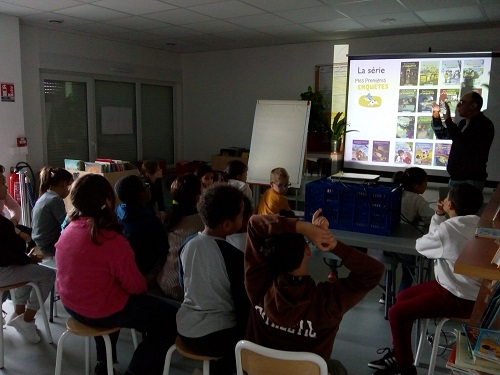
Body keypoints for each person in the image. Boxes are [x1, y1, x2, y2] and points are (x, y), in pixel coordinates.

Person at [55, 174, 177, 375]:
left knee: (107, 297)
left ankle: (104, 363)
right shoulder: (111, 239)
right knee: (169, 319)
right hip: (100, 310)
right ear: (108, 200)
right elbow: (136, 287)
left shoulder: (68, 230)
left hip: (71, 306)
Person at [244, 209, 384, 375]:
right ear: (307, 250)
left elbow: (254, 224)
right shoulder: (327, 303)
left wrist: (302, 227)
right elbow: (373, 271)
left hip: (260, 371)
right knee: (337, 368)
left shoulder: (257, 285)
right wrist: (333, 244)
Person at [368, 183, 484, 375]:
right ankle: (399, 353)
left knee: (396, 313)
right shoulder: (478, 223)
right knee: (403, 296)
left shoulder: (449, 230)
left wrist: (438, 218)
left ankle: (404, 368)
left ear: (451, 206)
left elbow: (422, 246)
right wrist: (440, 217)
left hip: (458, 297)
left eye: (446, 199)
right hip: (468, 291)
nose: (443, 201)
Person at [176, 184, 250, 375]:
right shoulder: (233, 256)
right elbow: (242, 303)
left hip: (185, 329)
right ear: (227, 224)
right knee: (249, 343)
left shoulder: (187, 244)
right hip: (215, 336)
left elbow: (183, 284)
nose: (243, 218)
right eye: (241, 215)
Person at [0, 175, 56, 344]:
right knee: (48, 275)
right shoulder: (3, 224)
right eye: (3, 183)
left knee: (29, 273)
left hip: (6, 267)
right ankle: (26, 319)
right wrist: (27, 259)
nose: (7, 187)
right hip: (3, 272)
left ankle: (18, 314)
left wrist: (24, 258)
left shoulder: (5, 223)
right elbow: (9, 254)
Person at [432, 91, 494, 191]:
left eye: (462, 102)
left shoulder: (484, 125)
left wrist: (448, 120)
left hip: (470, 181)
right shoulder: (463, 123)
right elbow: (442, 135)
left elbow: (463, 144)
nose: (458, 106)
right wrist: (436, 116)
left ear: (473, 105)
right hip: (456, 179)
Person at [115, 174, 168, 287]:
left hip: (123, 273)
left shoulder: (117, 211)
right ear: (141, 195)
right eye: (146, 186)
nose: (149, 188)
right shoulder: (150, 222)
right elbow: (164, 252)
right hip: (145, 276)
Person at [157, 173, 204, 300]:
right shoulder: (203, 222)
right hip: (185, 290)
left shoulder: (171, 216)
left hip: (166, 281)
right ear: (197, 197)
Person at [31, 167, 73, 256]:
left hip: (38, 241)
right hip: (48, 245)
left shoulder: (44, 196)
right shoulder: (55, 200)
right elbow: (66, 225)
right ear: (65, 184)